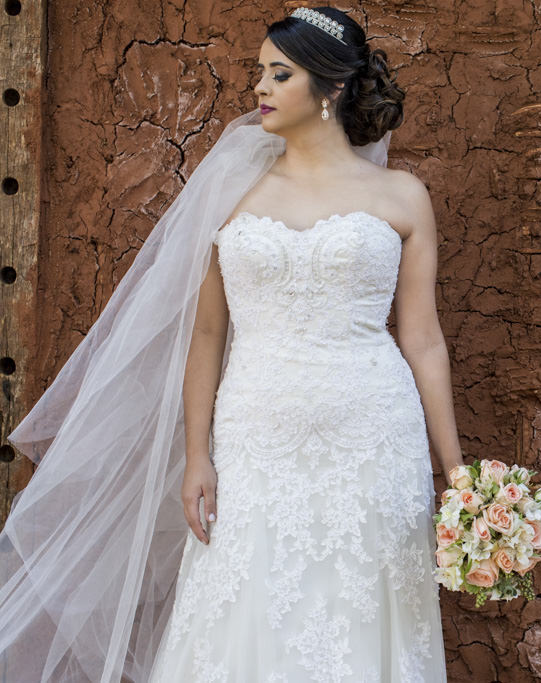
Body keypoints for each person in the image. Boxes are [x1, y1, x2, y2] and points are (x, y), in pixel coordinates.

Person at [0, 6, 460, 681]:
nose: (260, 88)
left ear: (332, 86)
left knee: (362, 610)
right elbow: (209, 333)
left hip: (374, 439)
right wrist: (197, 455)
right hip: (253, 438)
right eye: (260, 72)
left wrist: (456, 472)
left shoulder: (402, 196)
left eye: (281, 74)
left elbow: (423, 340)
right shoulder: (232, 192)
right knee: (244, 608)